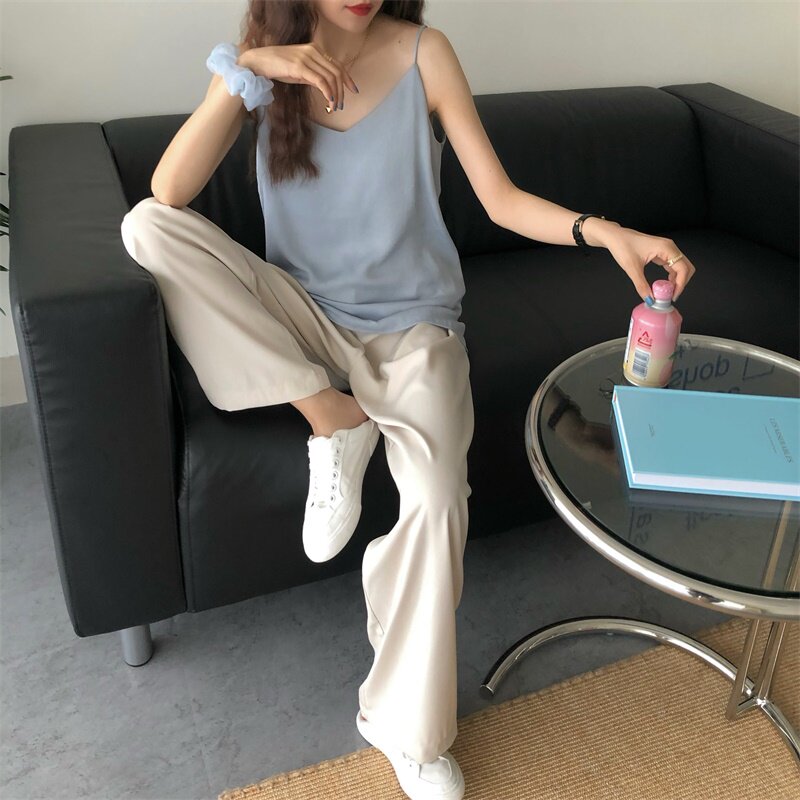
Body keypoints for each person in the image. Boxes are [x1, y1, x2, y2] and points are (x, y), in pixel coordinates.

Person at [119, 2, 696, 798]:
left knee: (436, 498)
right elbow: (168, 192)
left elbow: (500, 198)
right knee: (147, 228)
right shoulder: (267, 63)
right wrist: (252, 67)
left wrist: (607, 232)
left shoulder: (426, 52)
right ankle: (331, 416)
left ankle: (405, 729)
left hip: (413, 331)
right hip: (303, 313)